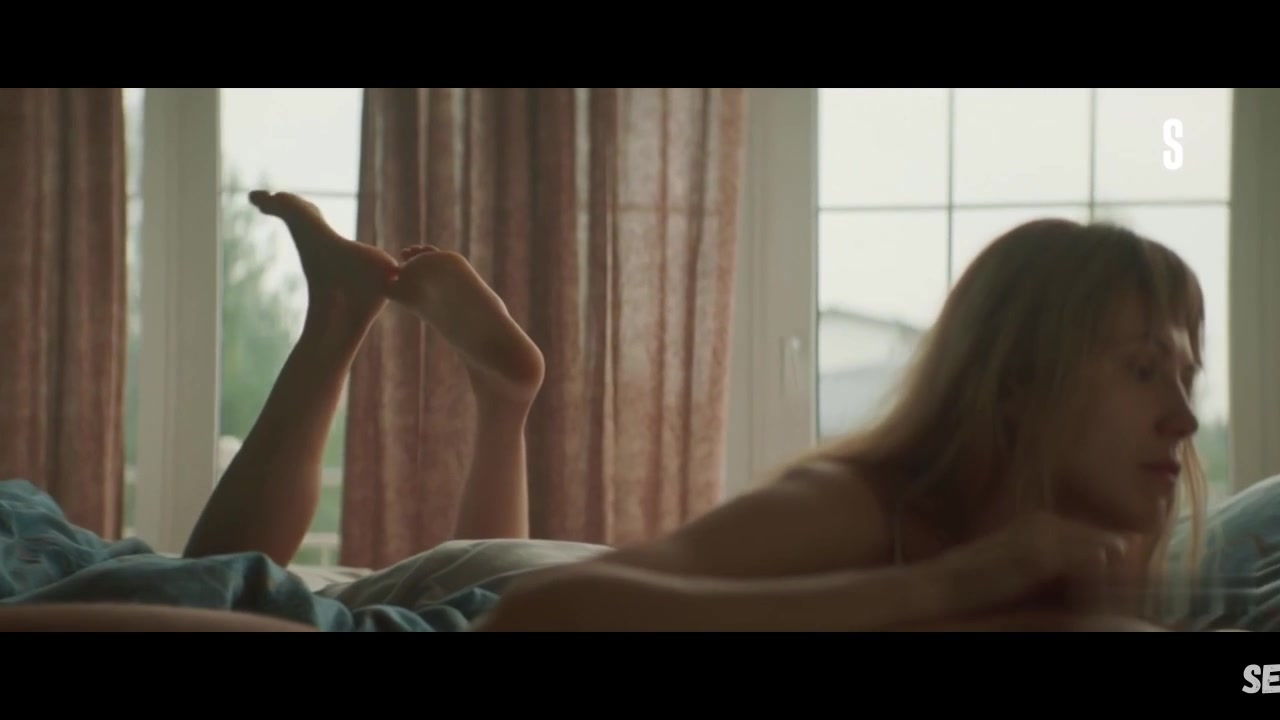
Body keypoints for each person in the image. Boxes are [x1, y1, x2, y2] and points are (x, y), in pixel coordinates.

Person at [0, 193, 1203, 631]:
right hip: (468, 611)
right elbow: (547, 615)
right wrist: (950, 584)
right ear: (1017, 381)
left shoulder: (1066, 571)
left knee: (194, 577)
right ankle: (354, 336)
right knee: (194, 583)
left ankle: (481, 394)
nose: (1183, 421)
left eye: (1187, 378)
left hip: (473, 597)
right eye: (1142, 371)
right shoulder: (873, 511)